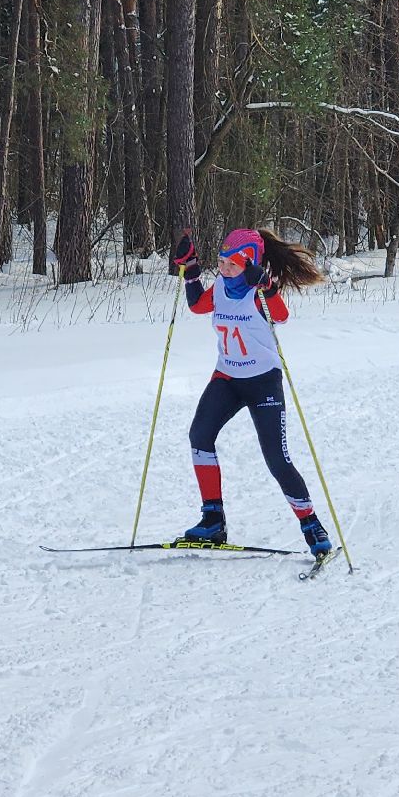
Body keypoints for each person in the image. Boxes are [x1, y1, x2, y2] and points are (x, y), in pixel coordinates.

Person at [169, 228, 331, 554]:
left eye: (232, 263)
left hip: (262, 382)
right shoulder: (218, 289)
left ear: (250, 263)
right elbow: (198, 305)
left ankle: (311, 524)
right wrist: (191, 272)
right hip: (227, 378)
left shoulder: (259, 294)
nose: (225, 269)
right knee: (199, 436)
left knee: (276, 460)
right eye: (221, 262)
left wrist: (267, 286)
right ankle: (212, 520)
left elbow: (281, 316)